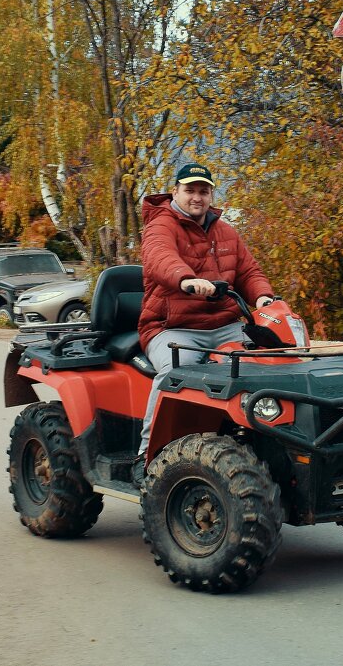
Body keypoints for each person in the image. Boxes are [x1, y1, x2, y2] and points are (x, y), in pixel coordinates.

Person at [134, 162, 274, 482]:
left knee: (266, 362)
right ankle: (146, 456)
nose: (197, 197)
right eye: (190, 190)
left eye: (203, 191)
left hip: (225, 326)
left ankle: (260, 442)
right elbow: (159, 258)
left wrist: (264, 297)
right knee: (176, 371)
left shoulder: (225, 231)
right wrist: (186, 280)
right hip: (171, 326)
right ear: (176, 192)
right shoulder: (161, 224)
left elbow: (249, 272)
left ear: (211, 194)